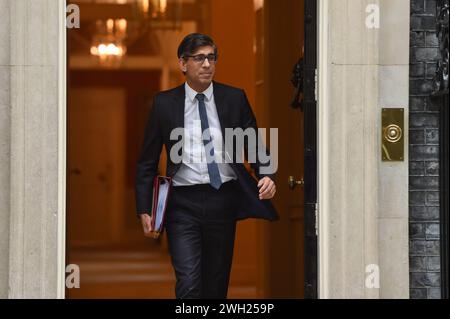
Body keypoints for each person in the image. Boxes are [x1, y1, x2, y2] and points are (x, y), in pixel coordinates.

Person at [135, 33, 279, 299]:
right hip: (182, 203)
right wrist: (145, 207)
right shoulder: (164, 103)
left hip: (222, 199)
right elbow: (147, 160)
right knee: (189, 280)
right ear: (182, 64)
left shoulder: (234, 98)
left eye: (211, 58)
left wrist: (267, 174)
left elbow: (254, 144)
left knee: (215, 283)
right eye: (199, 58)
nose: (207, 64)